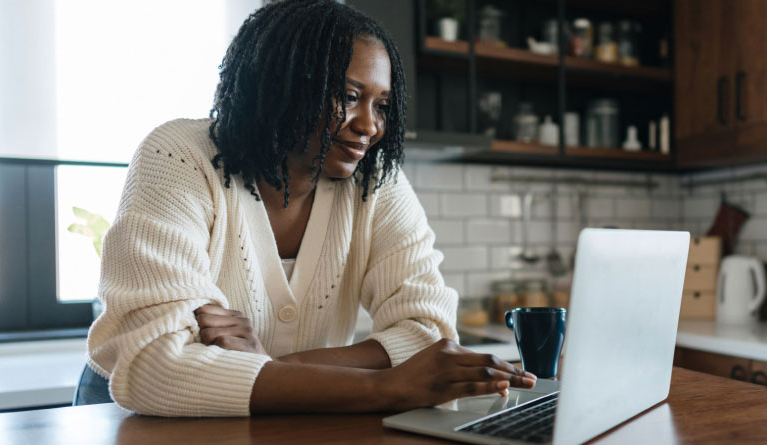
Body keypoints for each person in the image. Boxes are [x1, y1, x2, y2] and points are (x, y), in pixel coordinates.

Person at [80, 0, 535, 417]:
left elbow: (430, 336)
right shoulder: (180, 155)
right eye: (350, 96)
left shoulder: (375, 182)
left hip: (303, 410)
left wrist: (272, 365)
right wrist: (385, 388)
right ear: (283, 87)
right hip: (129, 416)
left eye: (382, 104)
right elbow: (156, 367)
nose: (370, 126)